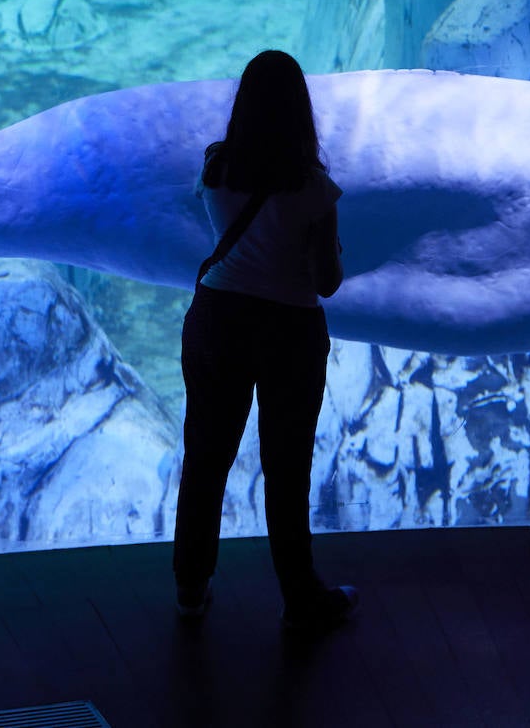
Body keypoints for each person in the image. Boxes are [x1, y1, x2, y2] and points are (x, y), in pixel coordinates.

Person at [172, 49, 358, 630]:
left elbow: (228, 235)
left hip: (218, 317)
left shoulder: (214, 169)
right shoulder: (314, 189)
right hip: (288, 330)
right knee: (286, 465)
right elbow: (326, 281)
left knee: (206, 457)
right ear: (300, 111)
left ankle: (190, 588)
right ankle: (301, 596)